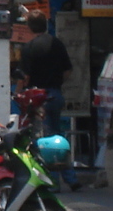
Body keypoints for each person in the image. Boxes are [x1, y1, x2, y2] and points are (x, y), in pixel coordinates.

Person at [18, 12, 76, 186]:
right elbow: (68, 70)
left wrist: (18, 94)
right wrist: (56, 83)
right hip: (55, 94)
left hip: (38, 98)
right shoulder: (57, 44)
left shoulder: (29, 48)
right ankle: (70, 177)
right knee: (58, 138)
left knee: (43, 140)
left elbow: (24, 77)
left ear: (29, 27)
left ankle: (52, 181)